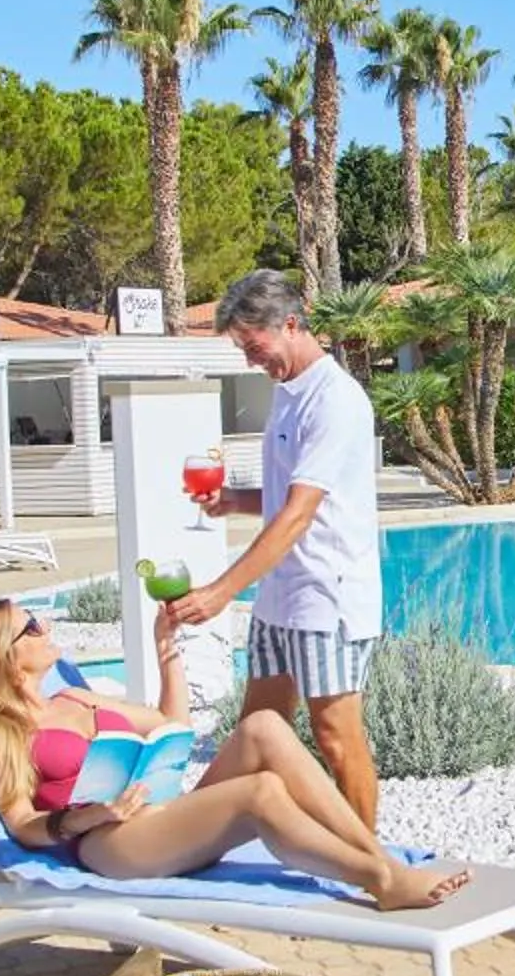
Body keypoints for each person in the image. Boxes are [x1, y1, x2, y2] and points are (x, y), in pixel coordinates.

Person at [0, 598, 467, 911]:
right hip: (110, 844)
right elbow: (21, 823)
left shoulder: (75, 697)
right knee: (261, 792)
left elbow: (173, 727)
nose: (45, 626)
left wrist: (167, 651)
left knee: (263, 727)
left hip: (163, 815)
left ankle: (378, 857)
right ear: (4, 656)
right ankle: (380, 879)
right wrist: (85, 817)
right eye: (31, 625)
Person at [161, 270, 391, 829]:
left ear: (290, 324)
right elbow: (290, 493)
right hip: (280, 596)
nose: (249, 360)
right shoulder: (288, 393)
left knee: (336, 737)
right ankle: (205, 839)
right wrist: (234, 501)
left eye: (253, 346)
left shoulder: (334, 400)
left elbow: (299, 515)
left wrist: (221, 592)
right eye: (242, 349)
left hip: (326, 595)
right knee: (258, 729)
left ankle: (369, 859)